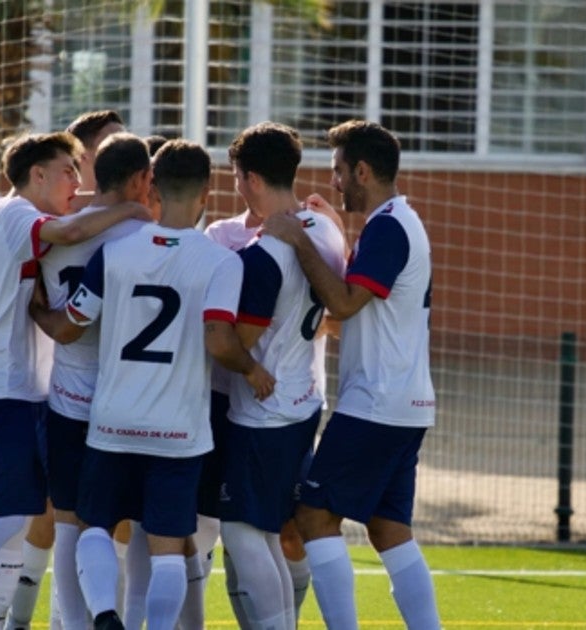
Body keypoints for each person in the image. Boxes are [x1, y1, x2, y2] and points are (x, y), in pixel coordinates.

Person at [34, 139, 275, 630]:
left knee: (94, 526)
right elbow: (218, 338)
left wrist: (36, 306)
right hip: (179, 429)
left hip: (112, 421)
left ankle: (104, 613)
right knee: (168, 546)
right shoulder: (221, 263)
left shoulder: (115, 253)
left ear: (155, 187)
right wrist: (253, 370)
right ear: (207, 191)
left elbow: (71, 326)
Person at [0, 131, 153, 630]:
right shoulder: (16, 217)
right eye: (69, 172)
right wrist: (131, 210)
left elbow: (73, 222)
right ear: (37, 175)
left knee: (26, 518)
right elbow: (71, 234)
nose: (78, 183)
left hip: (22, 387)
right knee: (10, 515)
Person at [262, 120, 440, 629]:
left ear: (363, 169)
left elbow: (340, 300)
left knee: (313, 517)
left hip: (376, 405)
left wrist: (298, 239)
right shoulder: (396, 222)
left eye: (339, 171)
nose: (334, 182)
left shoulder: (388, 227)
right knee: (388, 530)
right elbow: (352, 314)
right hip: (403, 405)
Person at [0, 109, 129, 630]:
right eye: (105, 146)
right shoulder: (50, 224)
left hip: (121, 396)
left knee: (108, 525)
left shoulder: (136, 221)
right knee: (51, 517)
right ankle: (23, 619)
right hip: (62, 389)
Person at [217, 122, 348, 630]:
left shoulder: (264, 253)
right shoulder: (327, 228)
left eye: (234, 175)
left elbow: (238, 343)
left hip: (263, 414)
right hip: (304, 401)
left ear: (249, 179)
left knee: (244, 531)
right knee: (272, 531)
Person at [29, 132, 156, 630]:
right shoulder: (140, 238)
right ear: (142, 179)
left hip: (67, 397)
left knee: (66, 524)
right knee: (119, 527)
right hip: (125, 400)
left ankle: (67, 622)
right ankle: (127, 618)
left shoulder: (56, 230)